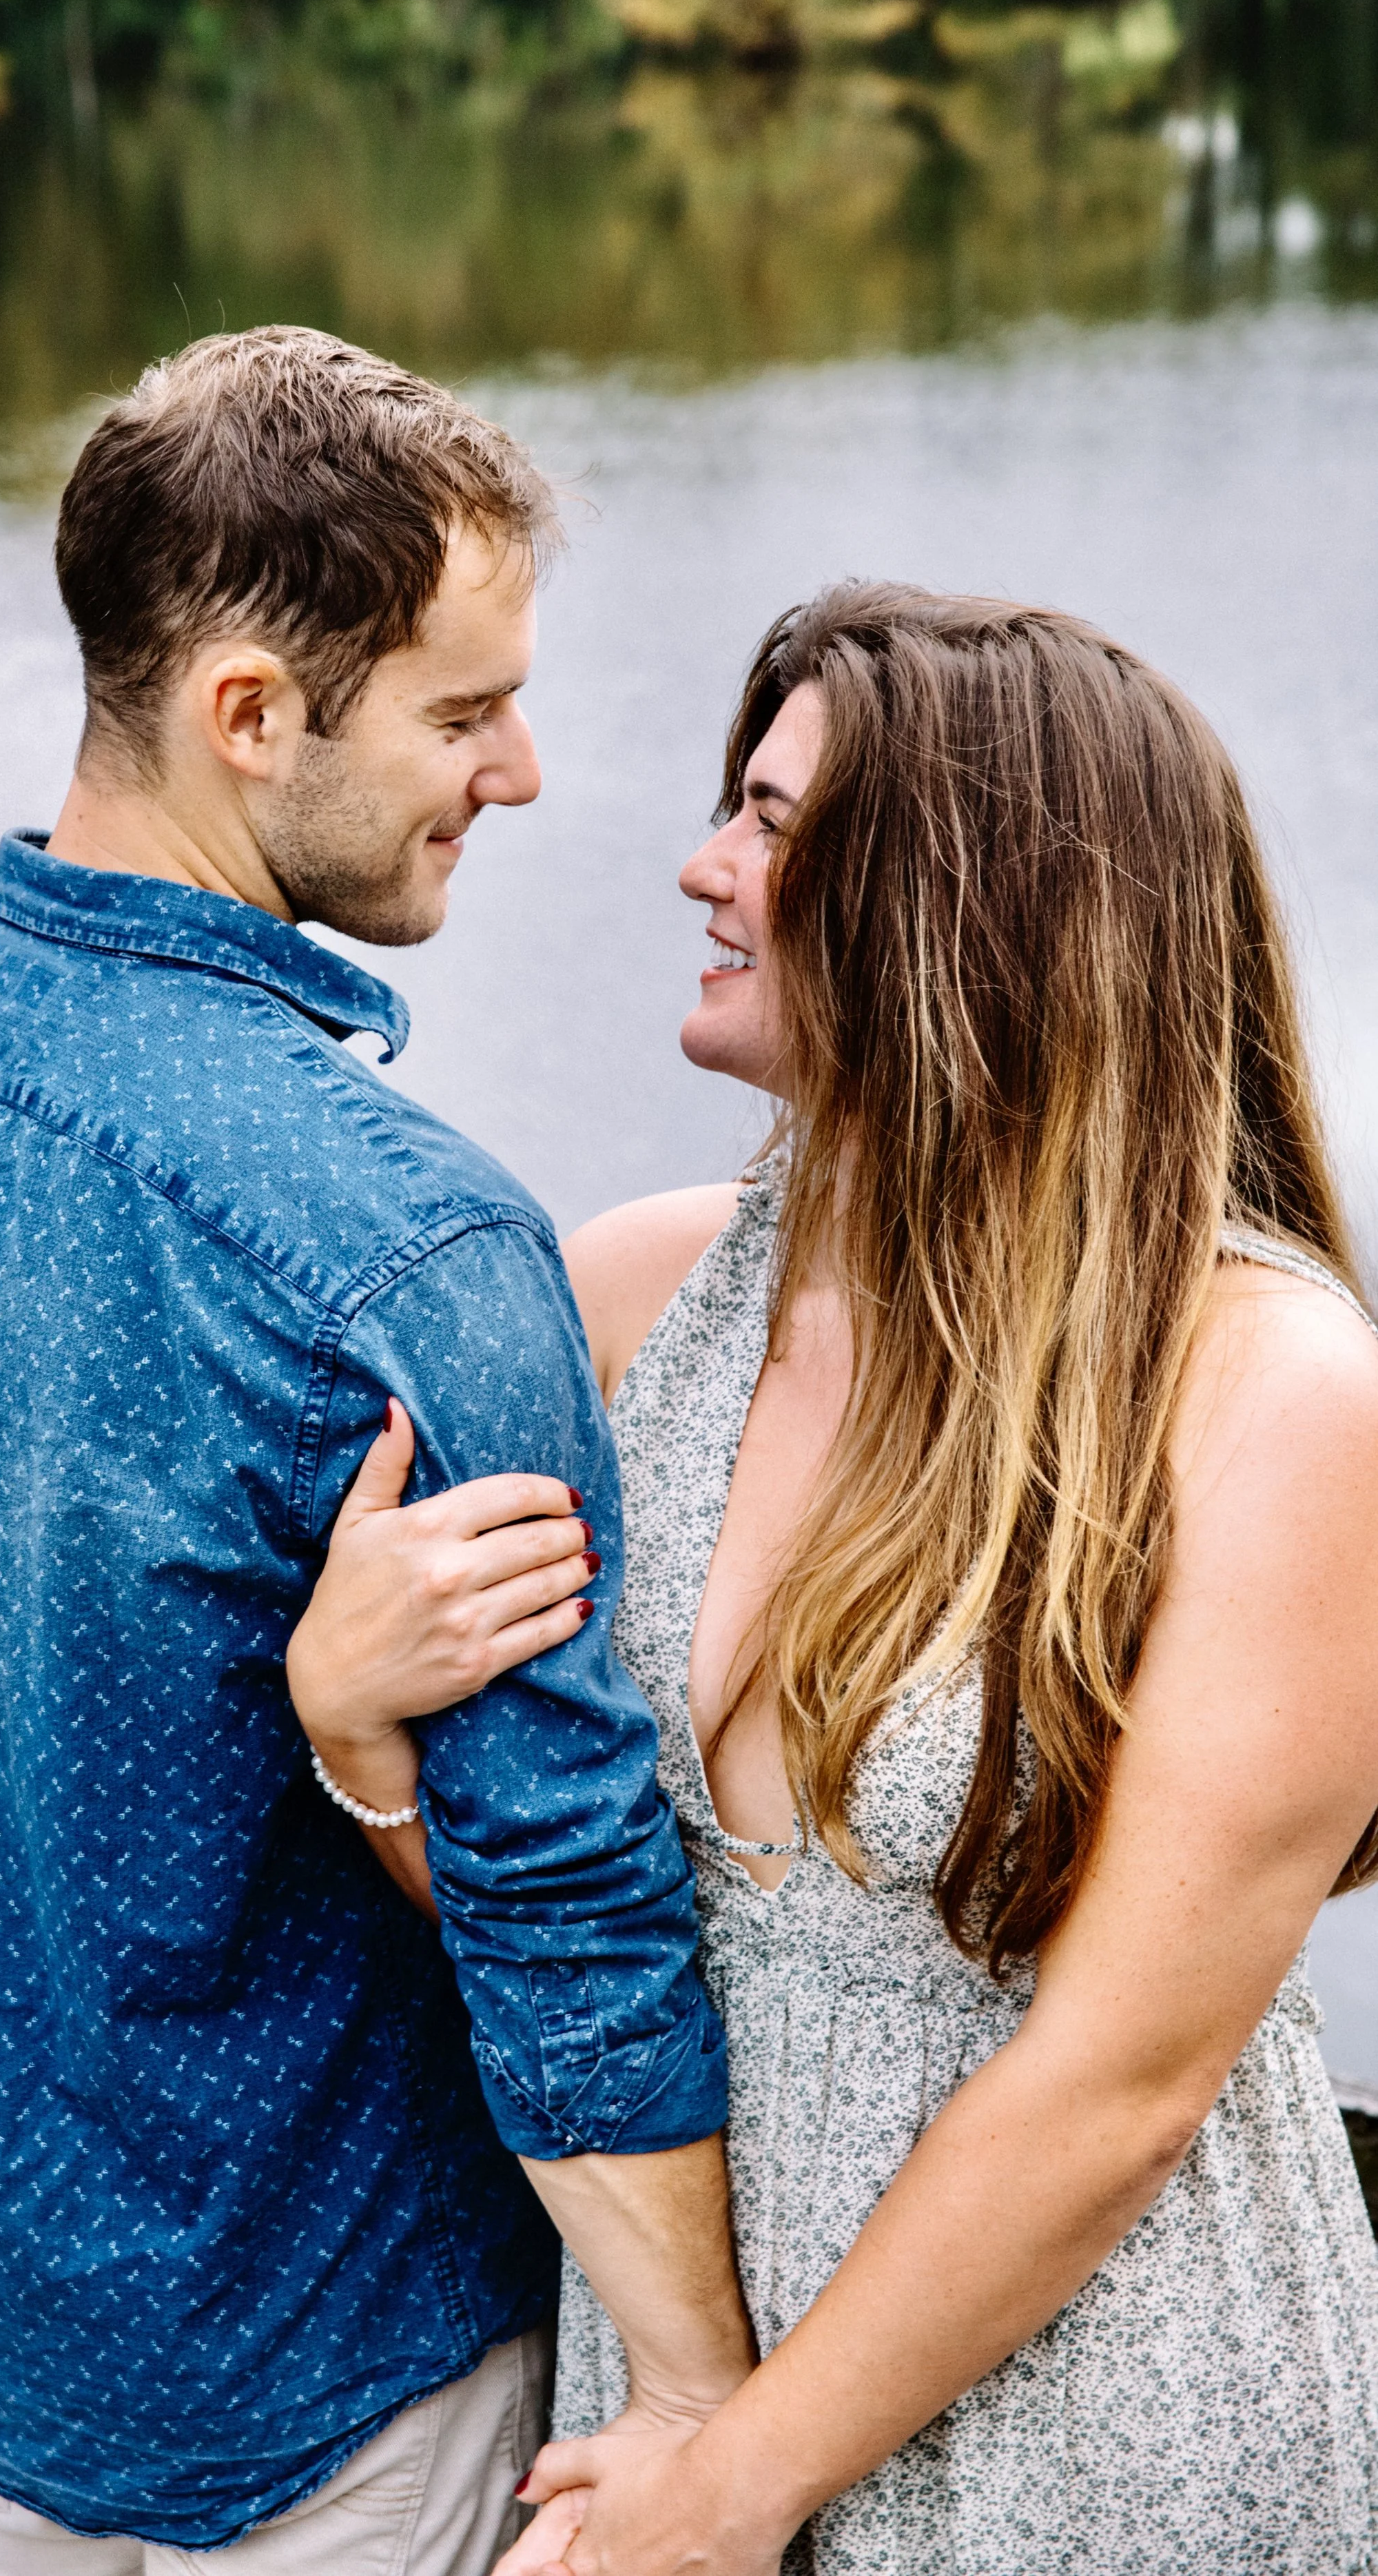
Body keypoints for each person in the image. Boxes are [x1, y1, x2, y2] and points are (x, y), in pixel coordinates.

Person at [0, 328, 757, 2575]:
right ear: (250, 714)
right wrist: (694, 2406)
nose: (524, 771)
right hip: (339, 2372)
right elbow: (560, 1898)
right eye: (462, 714)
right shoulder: (410, 1243)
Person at [285, 582, 1378, 2575]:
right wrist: (356, 1729)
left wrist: (731, 2489)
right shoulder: (626, 1300)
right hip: (673, 2359)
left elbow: (1119, 2081)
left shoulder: (1270, 1391)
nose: (702, 866)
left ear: (976, 911)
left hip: (1088, 2421)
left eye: (775, 823)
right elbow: (577, 1915)